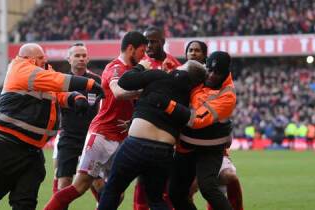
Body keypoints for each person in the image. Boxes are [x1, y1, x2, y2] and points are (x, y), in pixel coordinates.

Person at [0, 43, 103, 210]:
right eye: (40, 58)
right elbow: (56, 81)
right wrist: (88, 85)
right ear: (28, 59)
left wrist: (74, 98)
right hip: (5, 146)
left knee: (26, 202)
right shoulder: (20, 69)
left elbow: (56, 92)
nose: (44, 60)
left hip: (31, 149)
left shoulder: (44, 69)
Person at [43, 31, 148, 210]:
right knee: (73, 184)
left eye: (84, 55)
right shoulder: (114, 68)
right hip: (95, 136)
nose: (144, 56)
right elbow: (118, 93)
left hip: (119, 138)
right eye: (142, 51)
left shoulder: (99, 79)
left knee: (116, 192)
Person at [97, 59, 207, 210]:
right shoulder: (192, 96)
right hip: (163, 151)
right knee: (155, 200)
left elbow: (125, 81)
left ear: (181, 69)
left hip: (136, 144)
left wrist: (141, 67)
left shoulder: (159, 76)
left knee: (113, 189)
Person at [147, 51, 237, 210]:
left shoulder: (227, 96)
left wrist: (168, 105)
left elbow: (196, 120)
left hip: (210, 147)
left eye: (217, 73)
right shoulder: (199, 74)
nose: (211, 75)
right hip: (186, 145)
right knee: (175, 193)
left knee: (208, 188)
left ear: (225, 74)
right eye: (209, 69)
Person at [51, 42, 104, 208]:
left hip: (91, 139)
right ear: (69, 59)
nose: (81, 59)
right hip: (68, 137)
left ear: (88, 58)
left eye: (83, 55)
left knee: (100, 185)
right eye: (77, 55)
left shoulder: (97, 81)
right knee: (64, 183)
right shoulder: (60, 81)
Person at [134, 26, 181, 210]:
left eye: (153, 41)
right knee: (141, 179)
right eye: (146, 42)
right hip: (142, 127)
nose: (148, 46)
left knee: (165, 181)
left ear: (162, 41)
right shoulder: (141, 63)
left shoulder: (174, 65)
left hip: (166, 132)